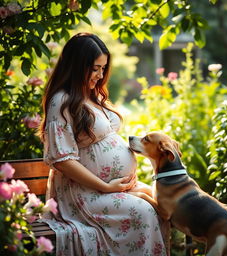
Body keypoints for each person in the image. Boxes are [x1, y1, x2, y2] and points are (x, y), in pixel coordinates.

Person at [39, 32, 169, 256]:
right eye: (95, 68)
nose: (100, 75)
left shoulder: (93, 95)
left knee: (164, 207)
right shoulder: (61, 101)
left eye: (103, 68)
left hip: (111, 189)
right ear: (77, 66)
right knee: (143, 212)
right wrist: (106, 186)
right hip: (85, 193)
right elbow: (63, 160)